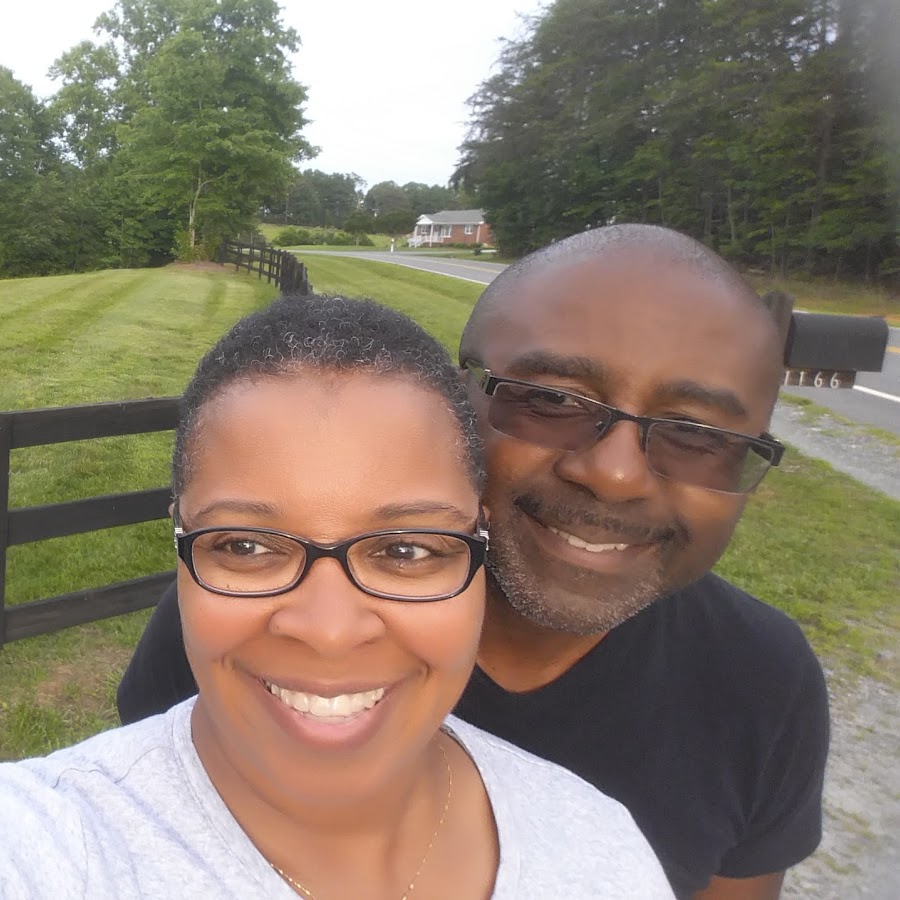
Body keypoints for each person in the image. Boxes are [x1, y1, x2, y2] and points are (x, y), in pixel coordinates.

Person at [117, 225, 830, 899]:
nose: (615, 474)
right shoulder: (251, 632)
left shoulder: (762, 681)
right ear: (458, 402)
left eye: (698, 435)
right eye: (552, 400)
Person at [0, 296, 673, 899]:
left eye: (406, 550)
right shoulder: (47, 844)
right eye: (246, 545)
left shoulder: (598, 846)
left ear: (480, 543)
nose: (329, 630)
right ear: (180, 540)